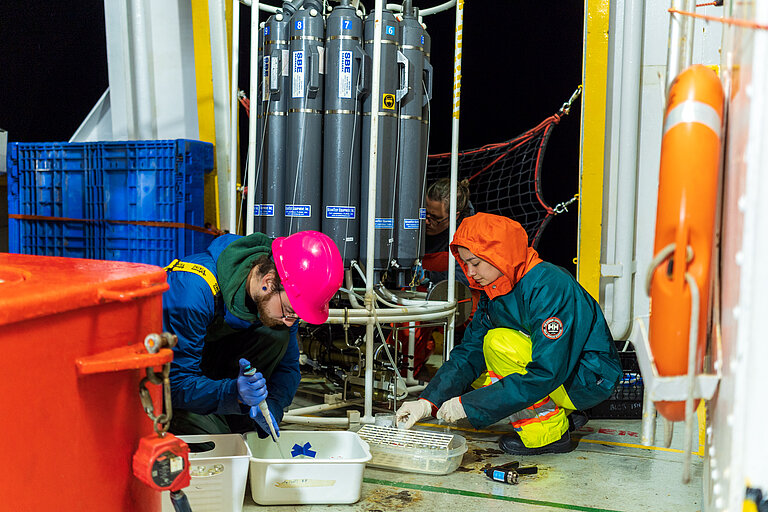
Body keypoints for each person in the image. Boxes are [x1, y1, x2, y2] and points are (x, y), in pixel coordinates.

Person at [396, 213, 622, 455]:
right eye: (465, 264)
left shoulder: (548, 286)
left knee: (497, 343)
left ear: (499, 255)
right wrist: (428, 402)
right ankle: (559, 412)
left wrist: (468, 405)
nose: (470, 273)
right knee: (478, 359)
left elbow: (547, 371)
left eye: (475, 262)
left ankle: (548, 435)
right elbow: (469, 352)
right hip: (562, 373)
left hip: (587, 378)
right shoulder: (496, 287)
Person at [162, 230, 343, 439]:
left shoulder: (283, 302)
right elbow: (174, 383)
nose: (290, 321)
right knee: (219, 448)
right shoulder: (193, 290)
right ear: (268, 281)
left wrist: (274, 406)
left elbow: (288, 368)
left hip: (215, 377)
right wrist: (233, 393)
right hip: (171, 386)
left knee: (277, 333)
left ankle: (236, 420)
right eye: (290, 311)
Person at [422, 177, 474, 286]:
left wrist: (426, 277)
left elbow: (464, 277)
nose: (426, 221)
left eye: (435, 217)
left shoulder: (467, 238)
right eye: (425, 213)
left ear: (455, 216)